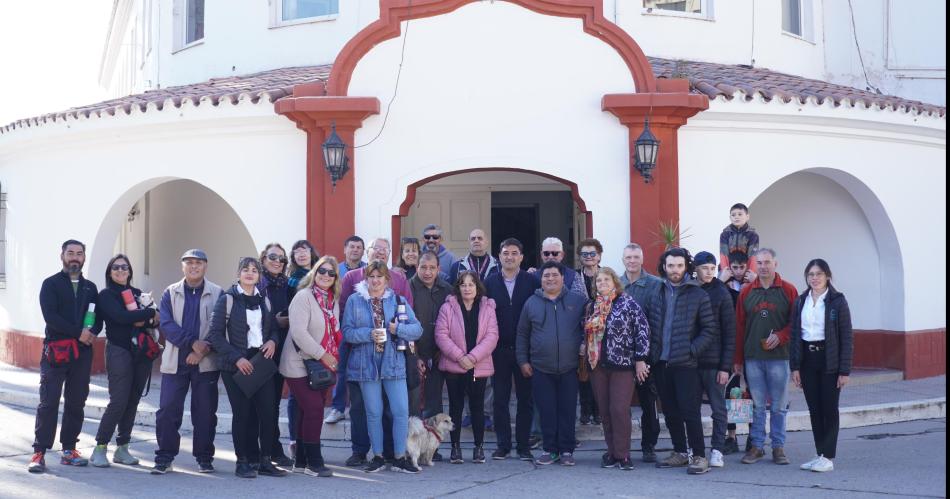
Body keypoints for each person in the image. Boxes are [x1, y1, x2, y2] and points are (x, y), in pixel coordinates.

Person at [207, 257, 286, 479]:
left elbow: (272, 330)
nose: (250, 273)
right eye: (246, 270)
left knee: (269, 413)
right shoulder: (228, 299)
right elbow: (215, 335)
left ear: (259, 275)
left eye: (254, 270)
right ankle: (242, 462)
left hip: (260, 360)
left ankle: (265, 461)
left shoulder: (265, 301)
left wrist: (272, 341)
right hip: (235, 364)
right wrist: (236, 359)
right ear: (239, 273)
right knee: (242, 414)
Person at [29, 240, 103, 473]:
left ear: (84, 258)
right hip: (56, 352)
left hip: (82, 354)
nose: (75, 257)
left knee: (76, 402)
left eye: (79, 254)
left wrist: (92, 332)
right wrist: (78, 332)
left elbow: (98, 317)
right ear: (62, 256)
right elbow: (51, 317)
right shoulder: (50, 284)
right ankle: (39, 452)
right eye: (70, 253)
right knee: (48, 402)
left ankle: (69, 449)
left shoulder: (90, 287)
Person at [342, 261, 424, 474]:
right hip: (365, 365)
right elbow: (347, 332)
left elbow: (417, 330)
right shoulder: (354, 300)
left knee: (400, 411)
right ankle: (378, 456)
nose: (376, 281)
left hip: (394, 363)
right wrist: (369, 334)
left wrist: (399, 329)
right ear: (366, 279)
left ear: (387, 280)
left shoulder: (398, 300)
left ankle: (399, 457)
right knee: (373, 412)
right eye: (372, 277)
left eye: (380, 277)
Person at [646, 247, 718, 475]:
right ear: (664, 267)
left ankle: (699, 456)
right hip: (661, 362)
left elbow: (709, 329)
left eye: (679, 265)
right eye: (670, 266)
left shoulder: (698, 294)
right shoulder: (656, 291)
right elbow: (648, 323)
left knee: (690, 411)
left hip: (686, 364)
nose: (674, 270)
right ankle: (680, 452)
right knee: (670, 411)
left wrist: (692, 350)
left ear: (686, 266)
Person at [328, 238, 414, 428]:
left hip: (391, 353)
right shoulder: (351, 277)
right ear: (368, 252)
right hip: (357, 349)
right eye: (376, 248)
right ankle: (359, 449)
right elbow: (342, 310)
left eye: (385, 249)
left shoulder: (399, 279)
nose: (380, 252)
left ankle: (390, 450)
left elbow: (408, 313)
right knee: (359, 403)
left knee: (388, 405)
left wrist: (396, 331)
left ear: (390, 254)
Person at [152, 249, 223, 475]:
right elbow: (167, 325)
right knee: (167, 410)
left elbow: (218, 326)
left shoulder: (217, 292)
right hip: (176, 361)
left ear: (205, 266)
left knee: (205, 412)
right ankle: (165, 456)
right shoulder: (170, 292)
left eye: (198, 263)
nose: (194, 267)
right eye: (189, 263)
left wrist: (202, 351)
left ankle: (204, 457)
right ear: (182, 266)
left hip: (206, 362)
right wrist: (193, 344)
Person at [90, 254, 161, 468]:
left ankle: (122, 448)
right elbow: (120, 317)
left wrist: (144, 318)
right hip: (119, 350)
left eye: (124, 267)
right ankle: (100, 448)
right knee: (119, 400)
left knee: (133, 400)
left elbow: (156, 320)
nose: (120, 271)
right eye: (115, 267)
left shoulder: (138, 294)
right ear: (110, 272)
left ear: (130, 271)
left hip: (141, 352)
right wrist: (146, 314)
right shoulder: (106, 295)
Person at [517, 261, 587, 466]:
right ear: (541, 278)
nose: (550, 279)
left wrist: (585, 349)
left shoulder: (578, 301)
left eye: (554, 275)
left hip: (570, 367)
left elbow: (588, 329)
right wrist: (523, 361)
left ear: (563, 277)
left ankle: (566, 450)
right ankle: (549, 449)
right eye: (546, 275)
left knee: (567, 410)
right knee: (546, 411)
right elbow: (522, 334)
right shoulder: (531, 302)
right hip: (541, 367)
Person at [734, 248, 799, 466]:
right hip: (753, 357)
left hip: (779, 357)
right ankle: (757, 446)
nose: (763, 266)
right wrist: (737, 359)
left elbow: (796, 324)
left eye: (767, 262)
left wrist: (781, 336)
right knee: (757, 405)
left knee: (779, 405)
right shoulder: (746, 292)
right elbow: (739, 326)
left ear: (775, 264)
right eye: (759, 263)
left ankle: (778, 447)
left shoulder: (788, 290)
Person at [280, 256, 343, 477]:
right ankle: (314, 462)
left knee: (305, 409)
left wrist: (329, 357)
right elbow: (298, 333)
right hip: (298, 362)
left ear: (336, 278)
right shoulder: (304, 296)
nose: (325, 275)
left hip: (319, 365)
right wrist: (324, 355)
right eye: (321, 271)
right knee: (315, 408)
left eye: (330, 273)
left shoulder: (331, 300)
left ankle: (300, 460)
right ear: (314, 273)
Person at [584, 267, 650, 471]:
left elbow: (642, 330)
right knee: (604, 411)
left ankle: (623, 454)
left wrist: (641, 359)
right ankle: (611, 452)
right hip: (598, 366)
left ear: (614, 282)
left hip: (623, 365)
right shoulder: (591, 306)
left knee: (619, 409)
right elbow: (584, 332)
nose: (602, 283)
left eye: (606, 279)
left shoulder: (627, 303)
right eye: (598, 280)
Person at [791, 259, 853, 473]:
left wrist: (844, 370)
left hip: (830, 362)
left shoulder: (837, 301)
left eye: (818, 274)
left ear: (827, 276)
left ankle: (828, 456)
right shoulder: (801, 301)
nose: (814, 278)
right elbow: (795, 336)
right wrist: (795, 367)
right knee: (814, 410)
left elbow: (846, 337)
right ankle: (820, 454)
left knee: (829, 409)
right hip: (808, 361)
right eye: (810, 274)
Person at [436, 271, 499, 464]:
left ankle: (478, 448)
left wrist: (472, 357)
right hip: (455, 366)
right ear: (458, 287)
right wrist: (460, 357)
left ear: (477, 287)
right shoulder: (448, 307)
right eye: (463, 284)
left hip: (477, 365)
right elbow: (441, 335)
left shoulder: (487, 307)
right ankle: (455, 448)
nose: (467, 288)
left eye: (471, 284)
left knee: (477, 408)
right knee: (455, 407)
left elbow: (492, 336)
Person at [485, 238, 539, 461]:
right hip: (498, 349)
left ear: (521, 257)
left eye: (514, 253)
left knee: (525, 399)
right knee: (500, 399)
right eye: (505, 253)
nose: (509, 257)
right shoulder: (489, 282)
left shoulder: (532, 281)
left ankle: (524, 445)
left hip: (524, 350)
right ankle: (503, 445)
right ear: (499, 256)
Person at [618, 243, 663, 463]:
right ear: (623, 259)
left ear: (642, 259)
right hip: (621, 358)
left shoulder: (656, 285)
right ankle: (621, 447)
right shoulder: (616, 284)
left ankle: (649, 446)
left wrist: (646, 358)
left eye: (636, 257)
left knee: (648, 404)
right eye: (628, 257)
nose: (632, 261)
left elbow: (657, 322)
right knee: (621, 405)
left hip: (648, 358)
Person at [693, 251, 736, 469]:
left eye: (712, 268)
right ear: (696, 269)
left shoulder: (722, 293)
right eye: (704, 268)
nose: (709, 272)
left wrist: (725, 367)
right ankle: (696, 449)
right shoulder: (689, 289)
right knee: (691, 409)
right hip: (691, 362)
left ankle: (717, 449)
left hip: (715, 363)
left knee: (718, 409)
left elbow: (730, 333)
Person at [257, 243, 294, 467]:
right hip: (261, 350)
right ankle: (265, 451)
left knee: (272, 404)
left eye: (281, 258)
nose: (277, 261)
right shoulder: (258, 283)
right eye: (273, 257)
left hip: (280, 350)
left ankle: (272, 448)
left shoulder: (285, 286)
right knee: (264, 404)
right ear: (263, 259)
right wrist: (275, 323)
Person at [409, 251, 453, 426]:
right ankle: (412, 448)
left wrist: (444, 350)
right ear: (416, 267)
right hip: (413, 355)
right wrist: (415, 356)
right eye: (423, 267)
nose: (427, 272)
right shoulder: (408, 288)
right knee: (413, 404)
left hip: (439, 354)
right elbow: (402, 324)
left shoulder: (447, 290)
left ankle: (431, 449)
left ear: (438, 269)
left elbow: (454, 324)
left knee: (434, 403)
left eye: (432, 268)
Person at [285, 239, 320, 455]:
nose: (301, 254)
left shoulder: (321, 276)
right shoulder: (291, 281)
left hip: (318, 340)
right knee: (295, 396)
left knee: (313, 393)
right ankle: (294, 441)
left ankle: (308, 440)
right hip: (297, 340)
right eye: (296, 251)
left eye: (304, 250)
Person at [576, 238, 603, 426]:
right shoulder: (573, 277)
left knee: (600, 373)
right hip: (579, 330)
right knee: (583, 372)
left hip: (603, 333)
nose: (589, 257)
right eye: (585, 254)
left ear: (599, 255)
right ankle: (585, 411)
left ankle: (598, 411)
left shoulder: (606, 275)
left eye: (592, 254)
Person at [719, 203, 759, 270]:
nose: (736, 217)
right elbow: (723, 255)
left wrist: (750, 272)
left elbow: (752, 256)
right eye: (733, 215)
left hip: (744, 269)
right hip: (728, 268)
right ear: (730, 218)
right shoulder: (725, 234)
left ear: (747, 217)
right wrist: (726, 271)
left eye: (740, 214)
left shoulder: (752, 235)